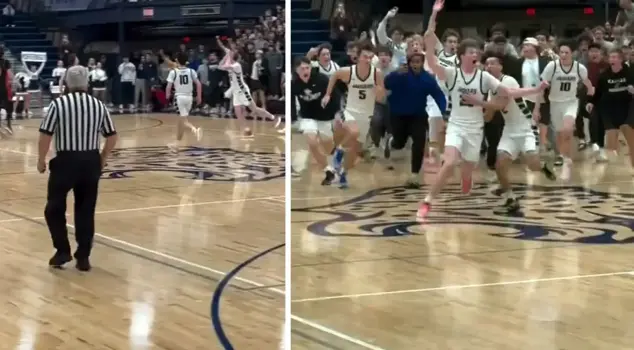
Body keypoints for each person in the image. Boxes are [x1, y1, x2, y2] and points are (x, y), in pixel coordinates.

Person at [419, 0, 547, 218]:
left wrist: (535, 89)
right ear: (462, 56)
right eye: (471, 51)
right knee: (449, 163)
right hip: (457, 126)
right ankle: (427, 202)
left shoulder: (484, 77)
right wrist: (433, 15)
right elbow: (430, 54)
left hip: (475, 129)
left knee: (467, 174)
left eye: (476, 50)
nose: (475, 53)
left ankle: (466, 177)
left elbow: (508, 93)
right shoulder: (451, 74)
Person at [37, 65, 118, 271]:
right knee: (85, 210)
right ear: (87, 83)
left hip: (65, 162)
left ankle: (62, 250)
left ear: (66, 84)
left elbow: (46, 134)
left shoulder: (59, 104)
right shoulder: (98, 105)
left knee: (54, 208)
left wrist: (41, 159)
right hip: (90, 161)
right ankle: (83, 256)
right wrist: (102, 158)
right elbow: (112, 136)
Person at [482, 53, 556, 214]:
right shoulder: (490, 88)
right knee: (500, 164)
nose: (488, 67)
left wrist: (476, 104)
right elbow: (489, 115)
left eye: (492, 63)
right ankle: (510, 198)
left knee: (532, 164)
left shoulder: (507, 80)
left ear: (501, 66)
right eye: (486, 64)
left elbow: (501, 102)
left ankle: (542, 166)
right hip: (509, 130)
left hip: (526, 128)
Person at [322, 41, 385, 188]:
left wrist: (379, 91)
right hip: (350, 111)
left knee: (355, 153)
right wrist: (327, 94)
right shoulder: (349, 71)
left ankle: (343, 173)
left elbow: (381, 97)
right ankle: (338, 152)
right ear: (358, 56)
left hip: (366, 115)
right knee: (354, 132)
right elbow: (335, 75)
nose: (368, 60)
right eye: (365, 56)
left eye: (370, 57)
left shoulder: (377, 74)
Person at [534, 40, 594, 181]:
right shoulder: (552, 67)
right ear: (558, 53)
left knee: (568, 129)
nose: (564, 54)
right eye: (561, 52)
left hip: (571, 102)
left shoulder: (579, 68)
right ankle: (563, 156)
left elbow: (587, 83)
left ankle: (567, 162)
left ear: (572, 53)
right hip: (555, 103)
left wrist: (592, 94)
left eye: (567, 52)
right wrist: (537, 108)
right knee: (560, 134)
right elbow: (541, 88)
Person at [384, 52, 446, 188]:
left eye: (418, 62)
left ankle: (414, 175)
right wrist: (395, 74)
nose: (416, 65)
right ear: (409, 63)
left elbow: (438, 95)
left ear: (422, 63)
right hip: (398, 115)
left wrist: (443, 112)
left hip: (418, 116)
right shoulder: (400, 75)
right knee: (399, 143)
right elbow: (386, 83)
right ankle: (391, 142)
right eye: (413, 62)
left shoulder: (427, 79)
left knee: (419, 141)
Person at [291, 57, 342, 185]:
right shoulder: (295, 84)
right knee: (312, 142)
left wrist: (337, 114)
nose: (305, 70)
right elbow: (291, 102)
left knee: (328, 146)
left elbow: (336, 95)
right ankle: (328, 172)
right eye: (302, 68)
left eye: (307, 67)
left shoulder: (322, 79)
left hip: (325, 116)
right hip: (308, 117)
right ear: (296, 70)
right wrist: (292, 118)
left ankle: (336, 154)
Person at [587, 48, 634, 171]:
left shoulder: (630, 73)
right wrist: (591, 102)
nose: (612, 59)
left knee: (630, 135)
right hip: (609, 108)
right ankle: (611, 150)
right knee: (611, 141)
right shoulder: (604, 76)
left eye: (615, 57)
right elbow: (598, 92)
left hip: (627, 107)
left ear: (621, 59)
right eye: (610, 57)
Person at [165, 53, 203, 151]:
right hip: (189, 98)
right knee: (181, 122)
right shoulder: (191, 71)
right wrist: (199, 96)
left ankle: (194, 129)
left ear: (177, 60)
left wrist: (167, 94)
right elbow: (198, 84)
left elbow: (169, 86)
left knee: (183, 121)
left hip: (179, 98)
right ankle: (176, 144)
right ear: (186, 62)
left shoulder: (173, 72)